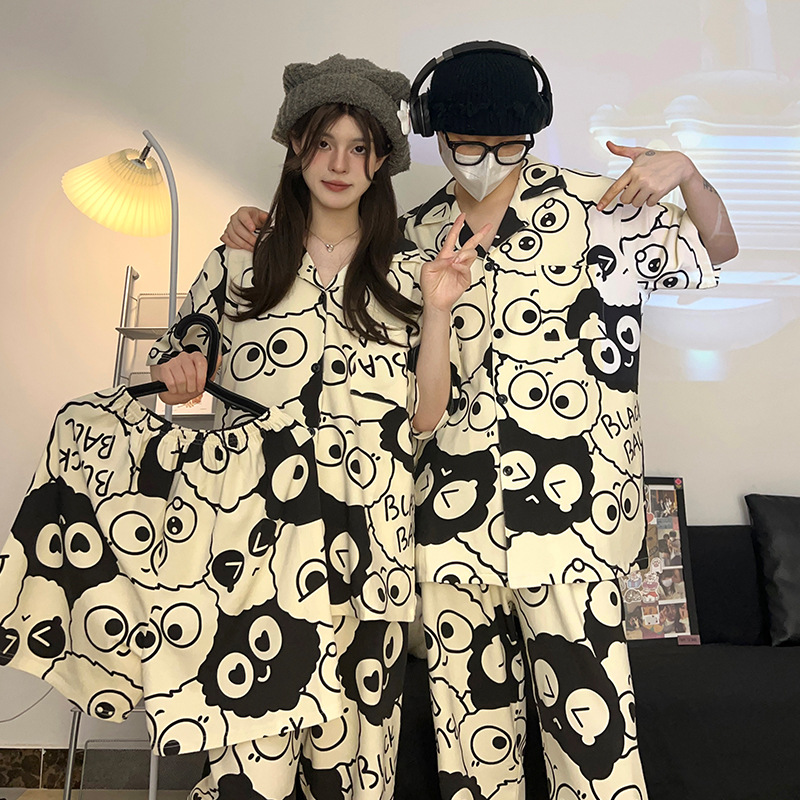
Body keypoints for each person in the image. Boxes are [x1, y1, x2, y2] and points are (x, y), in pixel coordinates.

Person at [221, 40, 738, 800]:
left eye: (508, 145)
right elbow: (329, 312)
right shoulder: (404, 237)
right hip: (446, 526)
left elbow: (717, 250)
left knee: (596, 758)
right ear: (435, 136)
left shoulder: (605, 208)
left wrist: (688, 174)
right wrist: (251, 230)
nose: (488, 160)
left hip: (576, 526)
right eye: (467, 145)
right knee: (473, 759)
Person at [149, 54, 485, 800]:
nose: (339, 164)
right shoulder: (241, 261)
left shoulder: (412, 271)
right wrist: (184, 372)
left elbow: (425, 417)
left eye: (359, 147)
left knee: (354, 778)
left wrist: (437, 313)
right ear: (295, 147)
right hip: (253, 557)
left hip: (370, 558)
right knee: (247, 773)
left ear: (381, 161)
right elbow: (183, 369)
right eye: (323, 142)